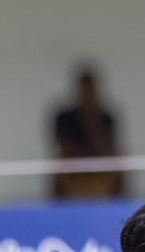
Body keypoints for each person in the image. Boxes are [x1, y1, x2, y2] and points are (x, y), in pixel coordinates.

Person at [51, 65, 125, 199]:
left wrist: (91, 119)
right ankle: (59, 206)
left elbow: (107, 147)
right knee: (58, 163)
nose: (87, 93)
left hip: (100, 169)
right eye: (84, 89)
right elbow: (64, 147)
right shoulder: (64, 117)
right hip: (73, 169)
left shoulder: (105, 117)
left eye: (90, 89)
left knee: (118, 160)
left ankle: (117, 204)